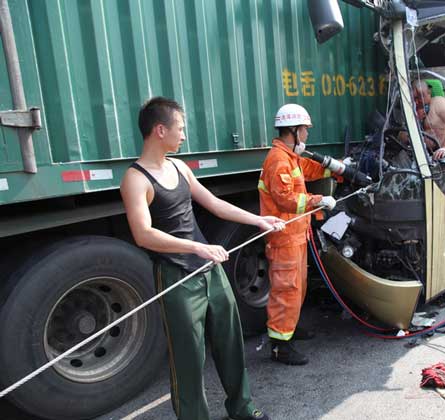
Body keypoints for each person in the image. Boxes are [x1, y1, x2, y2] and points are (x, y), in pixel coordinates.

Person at [120, 97, 283, 420]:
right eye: (180, 129)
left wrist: (259, 220)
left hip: (209, 269)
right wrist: (196, 247)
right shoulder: (135, 179)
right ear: (160, 129)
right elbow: (143, 234)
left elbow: (213, 203)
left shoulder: (179, 167)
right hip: (176, 275)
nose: (184, 135)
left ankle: (242, 407)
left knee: (230, 342)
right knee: (188, 358)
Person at [258, 104, 336, 366]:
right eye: (304, 130)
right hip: (283, 239)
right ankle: (280, 345)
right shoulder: (278, 160)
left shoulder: (290, 157)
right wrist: (319, 200)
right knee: (286, 290)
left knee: (298, 287)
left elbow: (310, 170)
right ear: (293, 130)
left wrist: (337, 168)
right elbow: (285, 200)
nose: (306, 134)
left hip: (295, 236)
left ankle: (289, 328)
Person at [412, 80, 445, 161]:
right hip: (424, 159)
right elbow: (402, 137)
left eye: (420, 96)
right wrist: (417, 119)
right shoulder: (412, 110)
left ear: (429, 92)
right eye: (414, 98)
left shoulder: (438, 102)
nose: (417, 101)